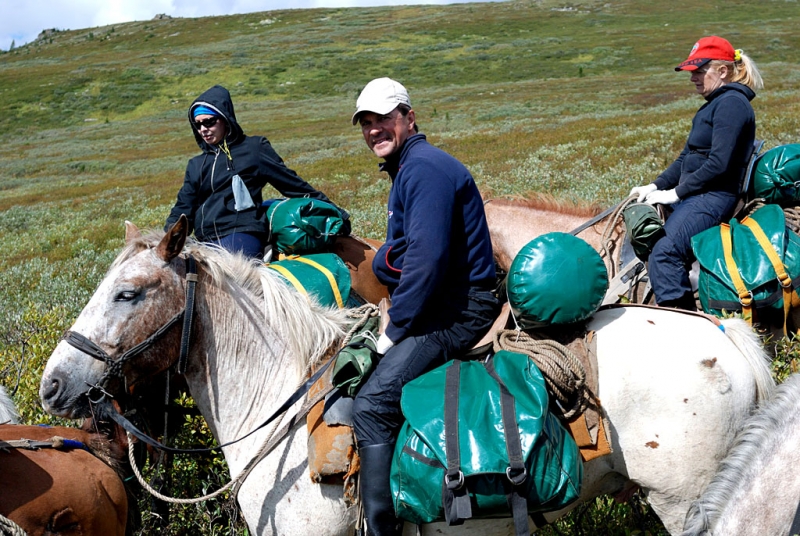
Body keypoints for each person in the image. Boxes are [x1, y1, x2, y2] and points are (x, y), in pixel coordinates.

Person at [350, 77, 500, 535]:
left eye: (384, 120)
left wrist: (392, 332)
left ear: (409, 118)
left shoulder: (424, 170)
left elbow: (427, 261)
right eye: (367, 124)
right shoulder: (410, 168)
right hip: (442, 303)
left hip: (458, 311)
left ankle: (384, 529)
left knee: (371, 405)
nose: (375, 130)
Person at [629, 36, 763, 310]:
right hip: (698, 194)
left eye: (699, 71)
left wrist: (676, 193)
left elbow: (719, 164)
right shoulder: (715, 103)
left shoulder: (732, 105)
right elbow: (686, 158)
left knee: (664, 252)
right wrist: (655, 186)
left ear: (722, 71)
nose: (693, 78)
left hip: (713, 197)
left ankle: (683, 323)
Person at [165, 84, 349, 258]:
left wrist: (337, 213)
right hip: (205, 240)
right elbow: (184, 206)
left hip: (242, 233)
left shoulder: (254, 149)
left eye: (209, 122)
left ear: (225, 118)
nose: (203, 129)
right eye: (198, 125)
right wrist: (165, 238)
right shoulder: (196, 164)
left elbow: (293, 185)